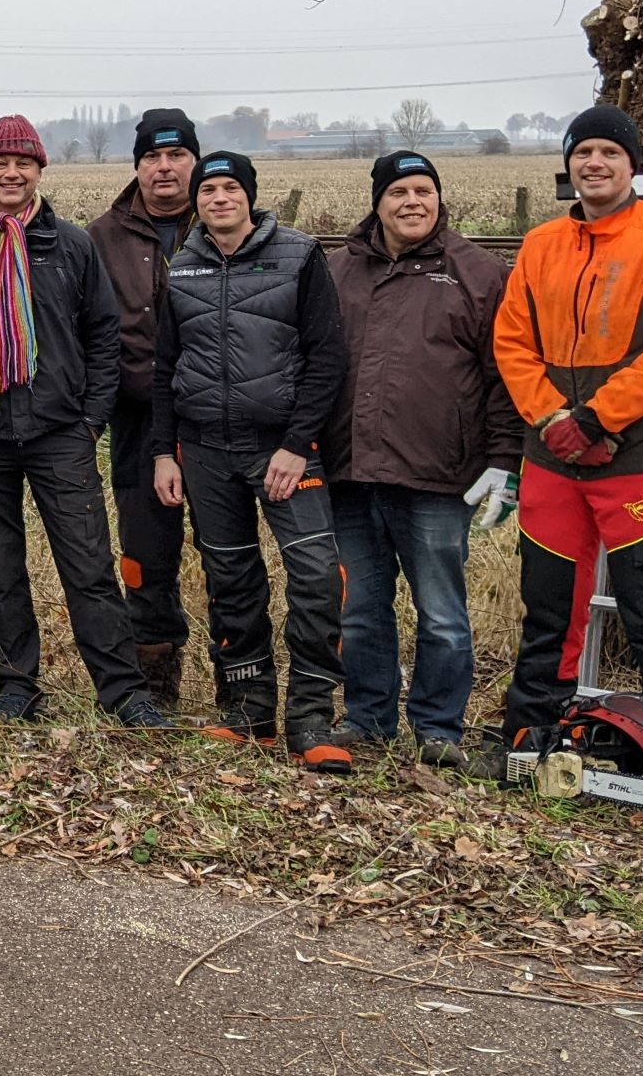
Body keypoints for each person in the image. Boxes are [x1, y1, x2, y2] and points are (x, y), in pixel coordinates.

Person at [490, 105, 643, 805]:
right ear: (569, 163)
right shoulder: (541, 244)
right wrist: (552, 417)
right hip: (553, 459)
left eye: (609, 152)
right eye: (583, 152)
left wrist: (597, 418)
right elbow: (512, 340)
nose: (594, 163)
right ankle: (529, 736)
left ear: (631, 164)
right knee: (549, 608)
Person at [0, 116, 166, 727]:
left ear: (39, 171)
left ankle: (123, 691)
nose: (12, 174)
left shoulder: (73, 245)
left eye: (24, 164)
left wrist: (91, 420)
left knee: (88, 566)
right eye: (0, 164)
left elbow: (103, 335)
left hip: (61, 432)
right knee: (0, 567)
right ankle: (16, 685)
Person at [150, 151, 352, 771]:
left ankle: (311, 716)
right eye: (208, 189)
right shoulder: (182, 266)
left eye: (230, 188)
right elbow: (165, 367)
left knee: (316, 576)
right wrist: (163, 452)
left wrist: (296, 443)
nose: (219, 199)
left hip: (283, 448)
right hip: (205, 449)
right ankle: (248, 710)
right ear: (197, 201)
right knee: (230, 578)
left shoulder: (299, 255)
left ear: (249, 195)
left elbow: (327, 357)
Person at [325, 150, 514, 765]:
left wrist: (505, 458)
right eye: (399, 192)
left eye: (423, 191)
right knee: (360, 609)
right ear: (377, 202)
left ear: (438, 198)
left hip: (439, 475)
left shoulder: (478, 274)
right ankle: (367, 719)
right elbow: (313, 364)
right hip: (351, 470)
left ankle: (438, 729)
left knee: (442, 614)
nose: (412, 202)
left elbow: (505, 376)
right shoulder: (338, 270)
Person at [89, 107, 200, 710]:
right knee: (144, 554)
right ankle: (156, 676)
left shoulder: (226, 221)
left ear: (194, 161)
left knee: (228, 553)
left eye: (176, 155)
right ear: (136, 166)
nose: (164, 167)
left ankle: (241, 681)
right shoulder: (101, 237)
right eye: (152, 157)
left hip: (216, 420)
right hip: (136, 419)